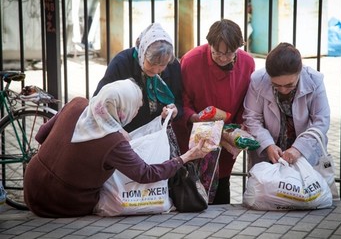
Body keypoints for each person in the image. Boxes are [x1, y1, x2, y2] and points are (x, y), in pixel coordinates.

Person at [23, 79, 208, 218]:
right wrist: (185, 157)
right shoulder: (112, 142)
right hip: (61, 202)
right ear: (121, 110)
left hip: (30, 184)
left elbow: (41, 135)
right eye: (136, 106)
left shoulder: (77, 104)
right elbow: (145, 174)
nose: (137, 110)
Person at [173, 19, 255, 204]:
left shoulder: (248, 63)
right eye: (217, 52)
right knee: (192, 185)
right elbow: (181, 98)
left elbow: (247, 101)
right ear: (209, 44)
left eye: (229, 53)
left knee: (222, 181)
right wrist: (193, 117)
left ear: (239, 47)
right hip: (195, 132)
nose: (224, 58)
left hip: (227, 134)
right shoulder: (191, 60)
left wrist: (239, 128)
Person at [243, 42, 330, 167]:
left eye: (289, 85)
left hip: (305, 153)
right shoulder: (258, 80)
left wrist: (299, 148)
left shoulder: (315, 80)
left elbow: (321, 122)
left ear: (299, 72)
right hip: (268, 155)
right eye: (276, 85)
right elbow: (252, 118)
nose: (283, 89)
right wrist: (267, 144)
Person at [93, 22, 183, 133]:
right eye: (151, 63)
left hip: (158, 134)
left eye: (162, 65)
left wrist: (175, 111)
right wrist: (118, 132)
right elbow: (99, 103)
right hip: (125, 134)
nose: (155, 70)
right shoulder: (121, 64)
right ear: (142, 52)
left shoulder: (172, 65)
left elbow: (179, 101)